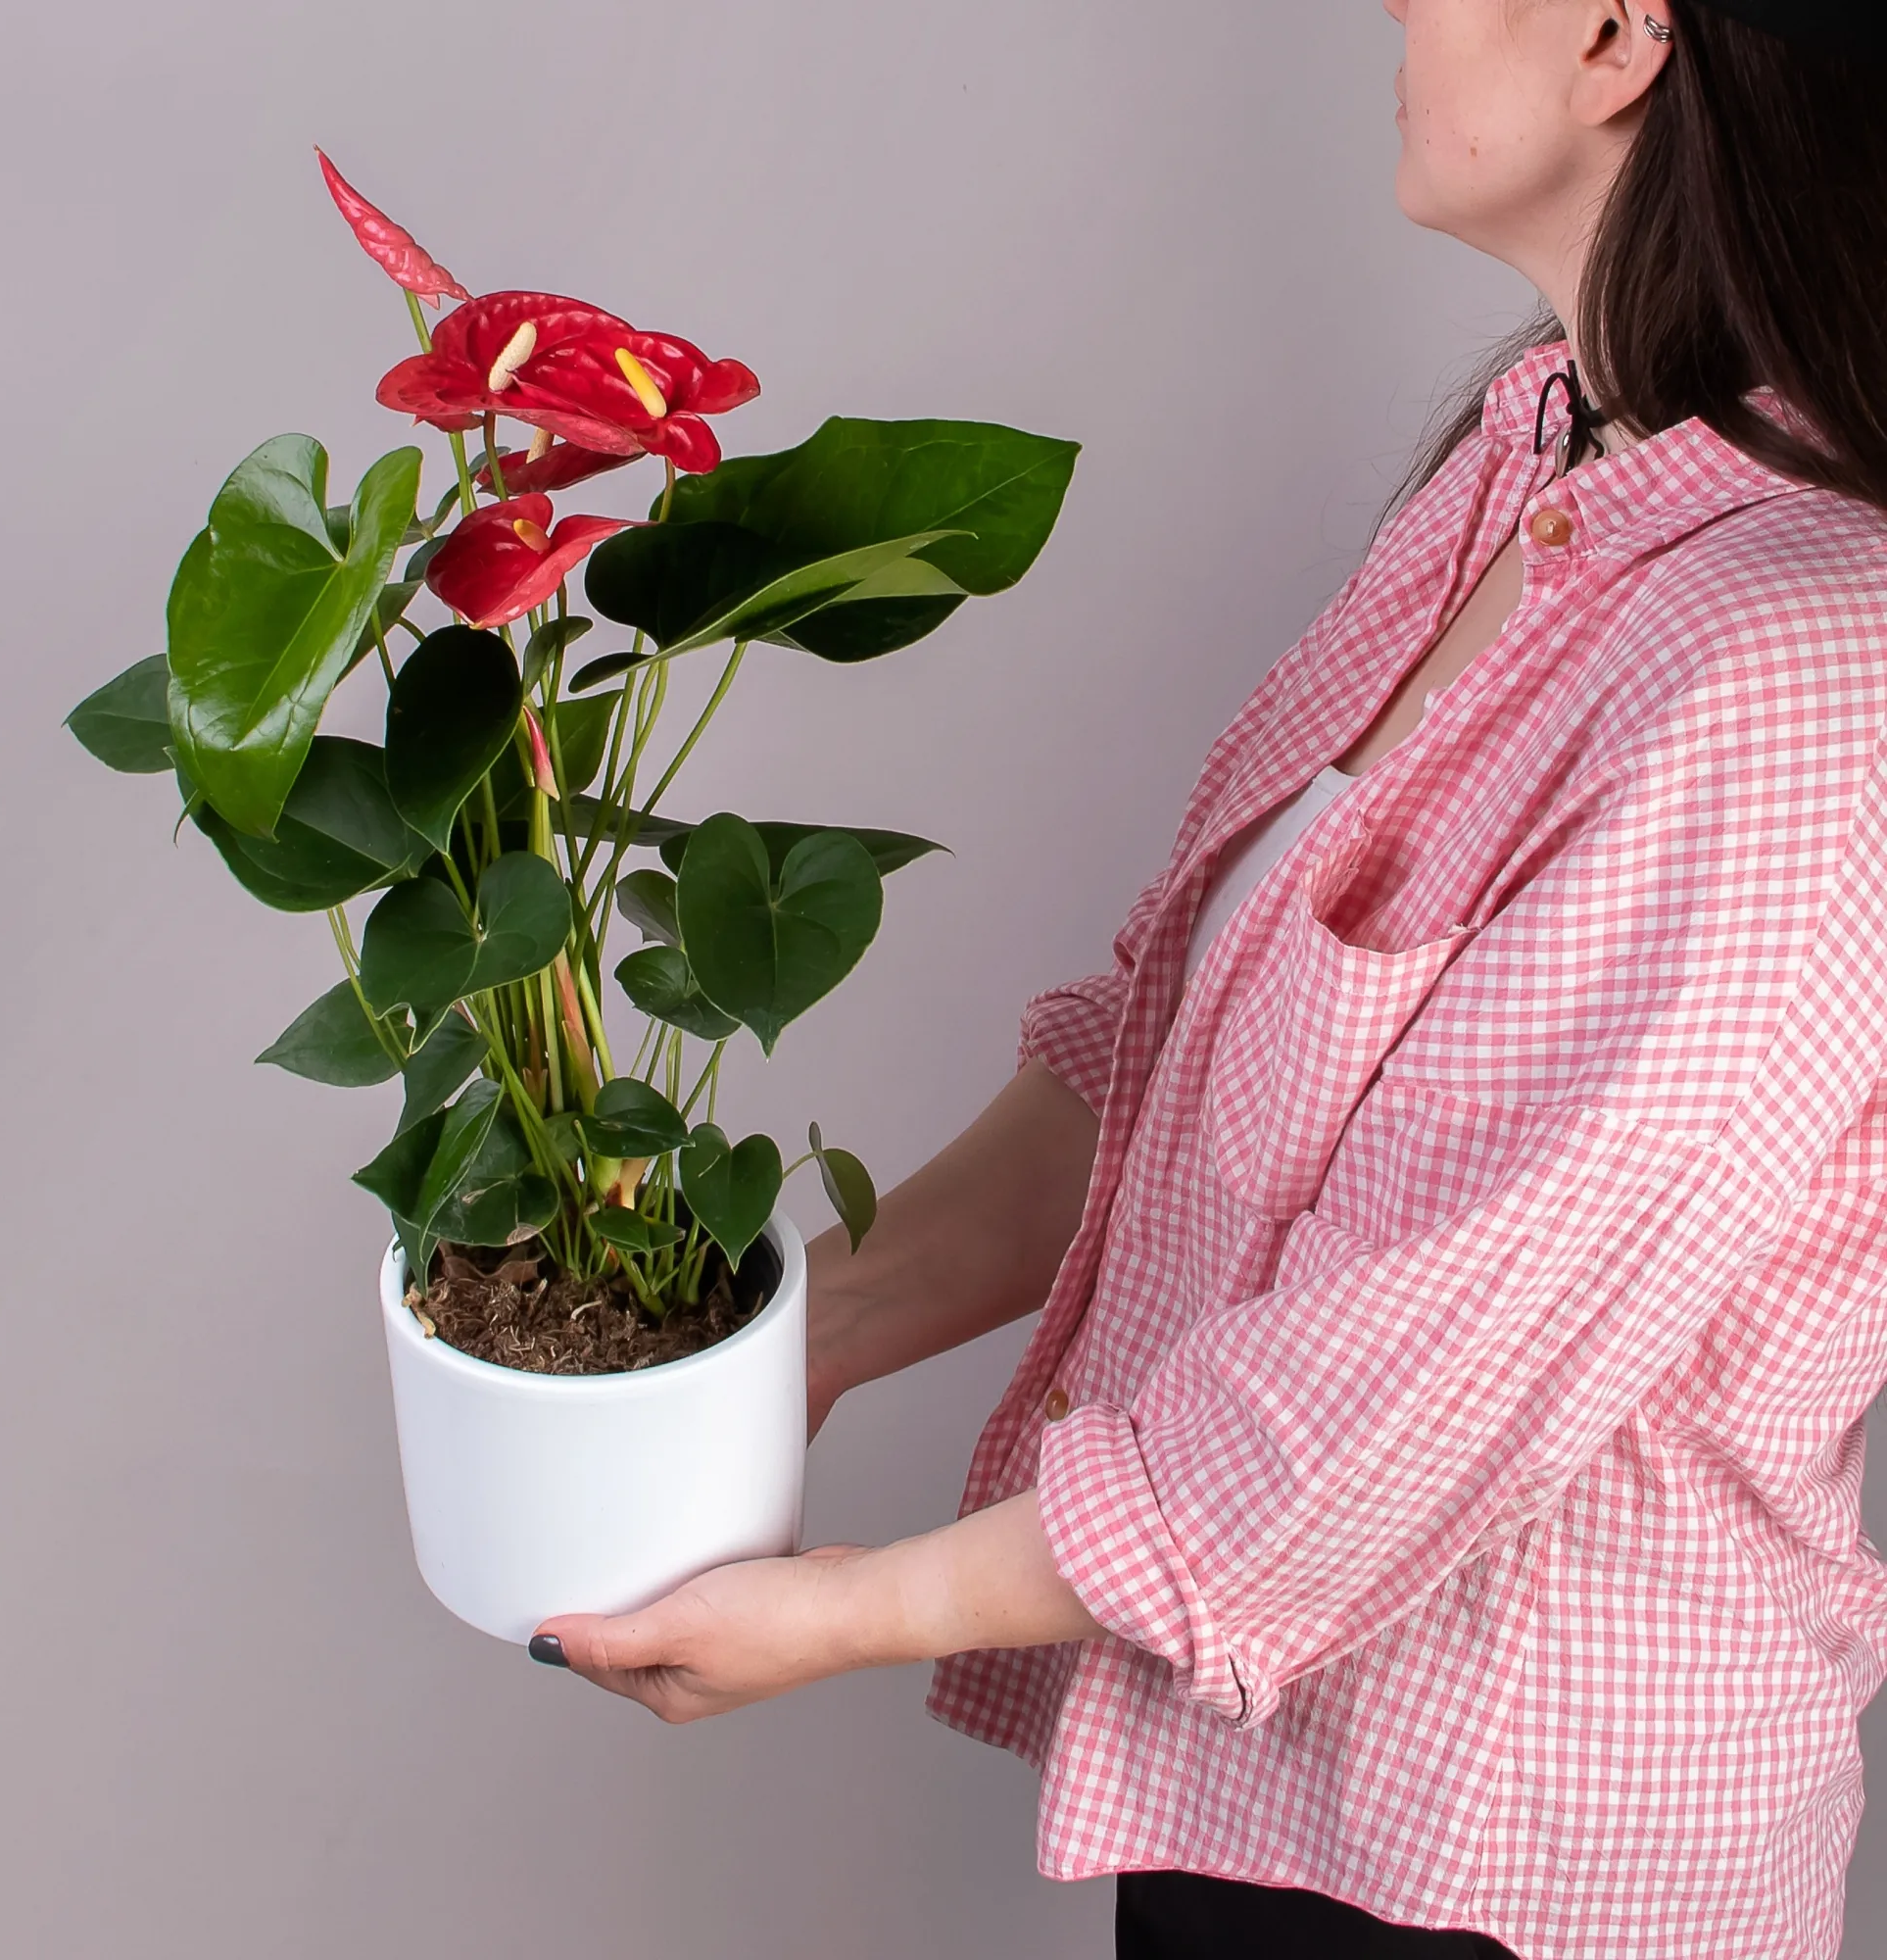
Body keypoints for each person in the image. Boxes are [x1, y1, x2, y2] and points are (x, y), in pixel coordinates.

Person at [527, 4, 1887, 1954]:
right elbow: (1158, 1060)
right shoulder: (1530, 473)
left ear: (1616, 33)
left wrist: (845, 1610)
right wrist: (790, 1344)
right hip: (1252, 1798)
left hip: (1500, 1868)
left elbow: (1412, 1380)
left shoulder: (1787, 674)